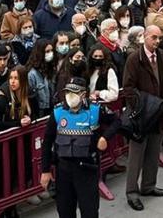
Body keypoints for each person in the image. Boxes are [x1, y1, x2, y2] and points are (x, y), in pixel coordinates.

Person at [39, 77, 112, 218]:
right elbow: (47, 142)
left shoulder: (95, 110)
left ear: (83, 94)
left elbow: (116, 121)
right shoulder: (58, 112)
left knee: (89, 211)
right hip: (64, 170)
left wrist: (105, 137)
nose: (70, 97)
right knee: (65, 211)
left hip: (87, 169)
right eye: (68, 93)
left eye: (74, 93)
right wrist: (45, 170)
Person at [121, 25, 163, 212]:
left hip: (158, 113)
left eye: (159, 38)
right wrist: (146, 105)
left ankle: (148, 185)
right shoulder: (135, 59)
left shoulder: (162, 56)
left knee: (153, 150)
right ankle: (131, 192)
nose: (157, 41)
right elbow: (128, 87)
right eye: (154, 38)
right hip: (142, 115)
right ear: (145, 37)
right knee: (136, 155)